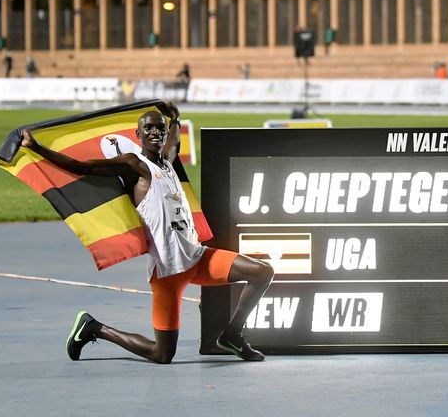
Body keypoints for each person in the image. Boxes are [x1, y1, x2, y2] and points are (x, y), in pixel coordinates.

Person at [20, 102, 275, 364]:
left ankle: (232, 335)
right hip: (168, 271)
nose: (156, 132)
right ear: (138, 135)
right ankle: (95, 328)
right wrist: (36, 147)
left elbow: (173, 142)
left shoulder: (168, 163)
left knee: (262, 271)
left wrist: (174, 116)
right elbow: (82, 167)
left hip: (197, 258)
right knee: (162, 354)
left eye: (160, 128)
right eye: (149, 128)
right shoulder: (135, 165)